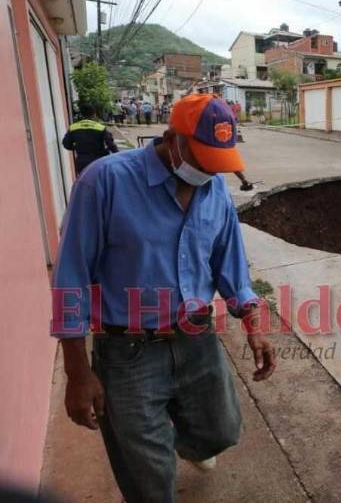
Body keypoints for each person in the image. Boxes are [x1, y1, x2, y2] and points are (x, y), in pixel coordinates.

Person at [51, 94, 276, 503]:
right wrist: (77, 372)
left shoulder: (216, 191)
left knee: (221, 432)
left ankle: (182, 442)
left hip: (196, 339)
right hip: (127, 351)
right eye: (202, 156)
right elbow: (71, 278)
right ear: (173, 138)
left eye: (218, 160)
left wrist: (254, 324)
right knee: (149, 482)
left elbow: (231, 266)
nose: (209, 170)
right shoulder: (104, 181)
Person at [62, 103, 120, 176]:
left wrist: (77, 148)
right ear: (94, 114)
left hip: (81, 161)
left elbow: (66, 144)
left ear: (82, 115)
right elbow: (111, 145)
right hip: (98, 161)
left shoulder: (73, 127)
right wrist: (118, 155)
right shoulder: (100, 128)